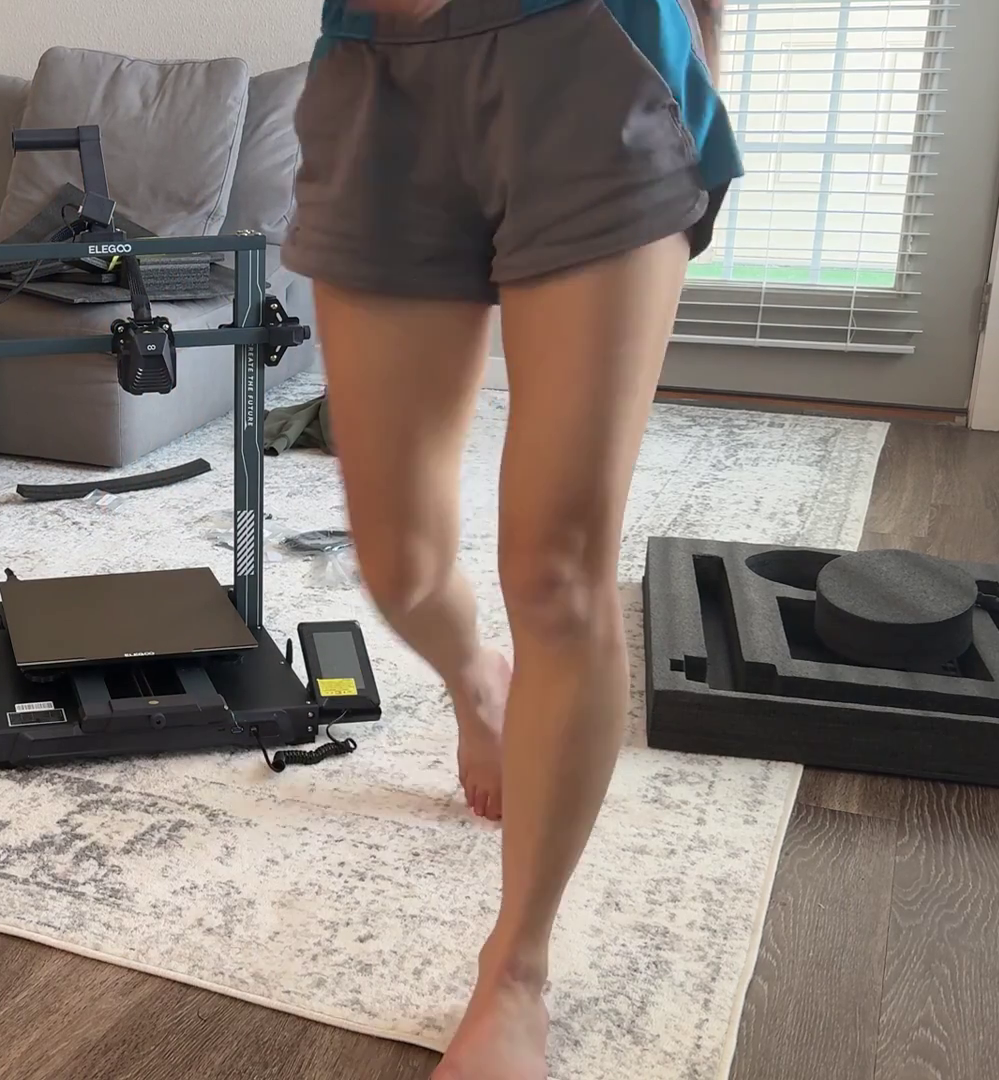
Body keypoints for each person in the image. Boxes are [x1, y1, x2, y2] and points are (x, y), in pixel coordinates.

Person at [280, 1, 740, 1077]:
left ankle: (517, 972)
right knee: (398, 565)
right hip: (377, 70)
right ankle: (474, 680)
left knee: (556, 572)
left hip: (587, 45)